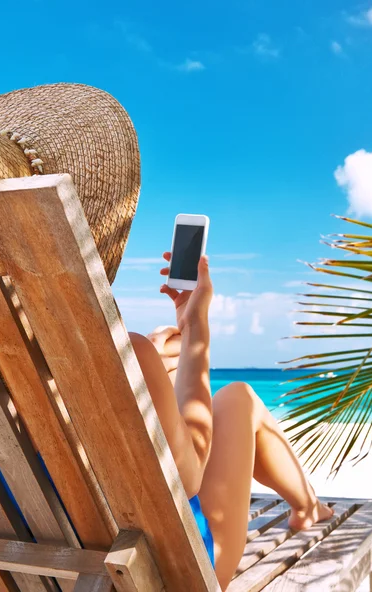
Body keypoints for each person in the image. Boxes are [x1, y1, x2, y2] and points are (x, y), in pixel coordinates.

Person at [129, 251, 334, 590]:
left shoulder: (18, 368)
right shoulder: (128, 351)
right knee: (241, 398)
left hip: (53, 569)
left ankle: (307, 504)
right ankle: (307, 506)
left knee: (231, 397)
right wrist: (195, 328)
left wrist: (150, 378)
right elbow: (189, 475)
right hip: (176, 575)